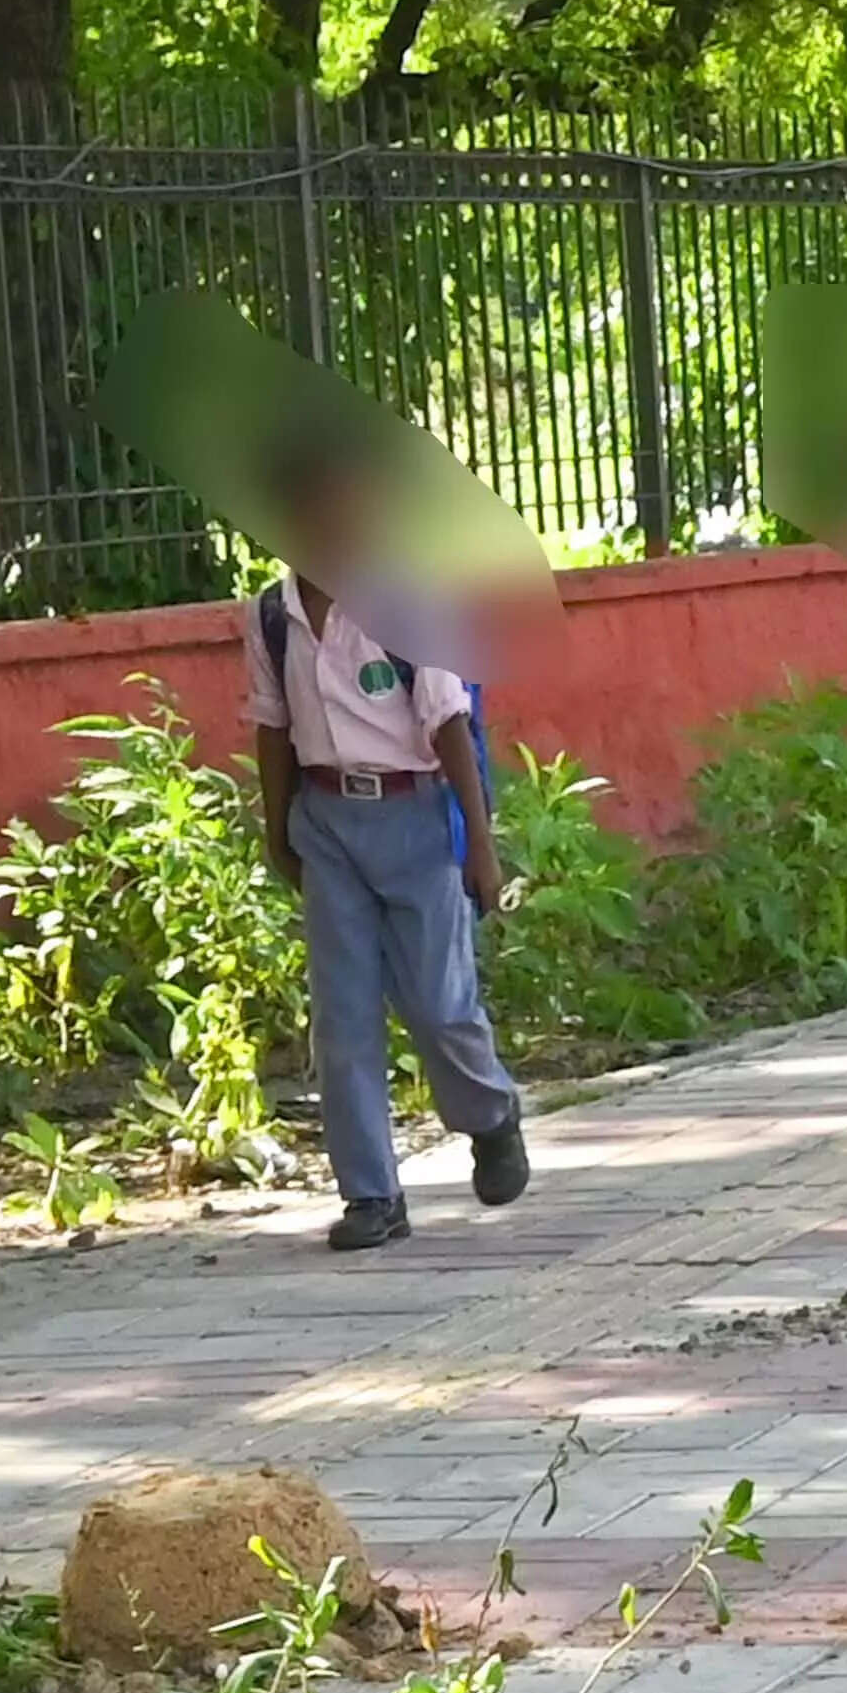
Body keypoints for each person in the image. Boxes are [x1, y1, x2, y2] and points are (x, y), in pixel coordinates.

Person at [245, 441, 528, 1251]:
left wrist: (480, 845)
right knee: (343, 1017)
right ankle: (372, 1194)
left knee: (440, 1006)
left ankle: (491, 1114)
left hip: (413, 814)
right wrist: (278, 828)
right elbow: (271, 723)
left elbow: (450, 724)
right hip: (328, 820)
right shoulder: (273, 614)